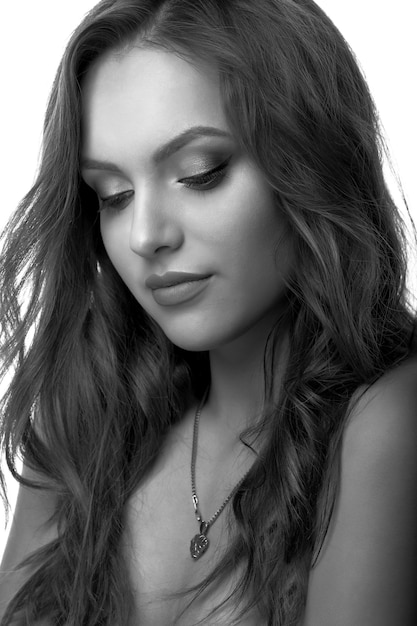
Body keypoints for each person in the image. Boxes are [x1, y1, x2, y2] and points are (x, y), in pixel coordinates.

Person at [1, 0, 417, 624]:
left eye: (201, 173)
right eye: (112, 195)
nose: (146, 236)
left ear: (311, 162)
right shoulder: (87, 402)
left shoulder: (386, 422)